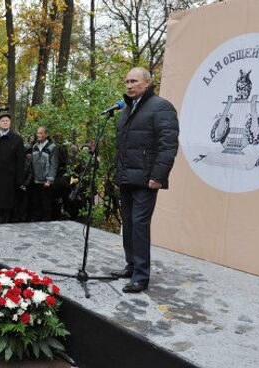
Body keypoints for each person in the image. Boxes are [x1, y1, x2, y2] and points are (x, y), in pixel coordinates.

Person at [110, 67, 179, 293]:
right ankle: (131, 266)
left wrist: (158, 176)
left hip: (146, 181)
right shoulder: (126, 110)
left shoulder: (161, 108)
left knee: (139, 226)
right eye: (126, 81)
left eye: (134, 81)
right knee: (128, 224)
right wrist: (118, 175)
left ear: (147, 83)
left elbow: (168, 146)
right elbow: (122, 148)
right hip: (127, 179)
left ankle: (141, 276)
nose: (129, 85)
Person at [30, 126, 58, 221]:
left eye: (41, 133)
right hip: (35, 181)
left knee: (46, 205)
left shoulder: (52, 147)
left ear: (46, 134)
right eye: (38, 133)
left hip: (46, 182)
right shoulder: (34, 146)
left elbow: (54, 164)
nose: (38, 135)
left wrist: (49, 180)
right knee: (35, 204)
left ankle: (46, 225)